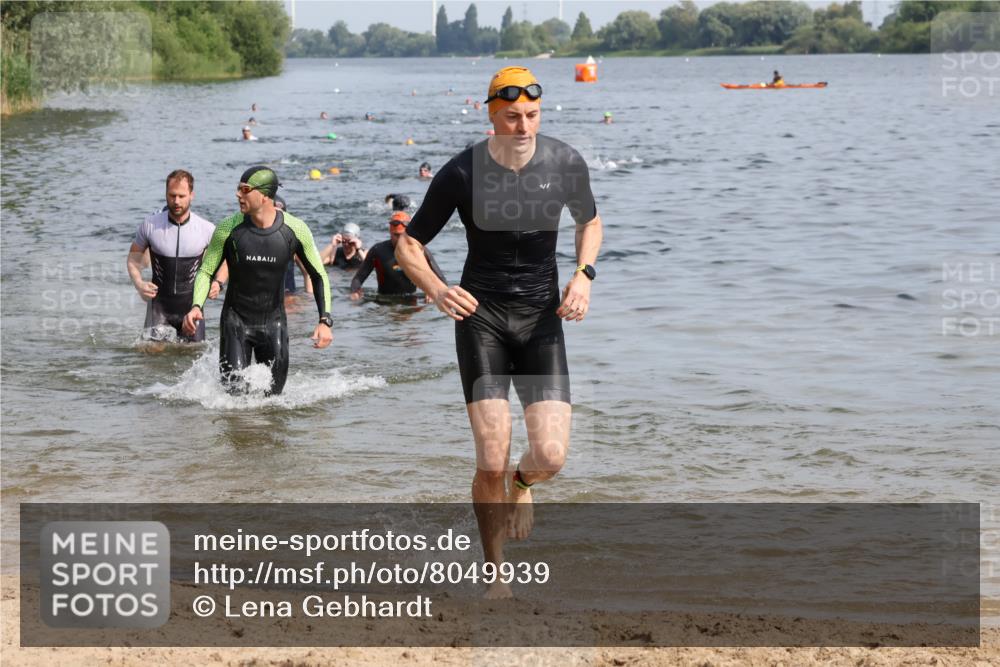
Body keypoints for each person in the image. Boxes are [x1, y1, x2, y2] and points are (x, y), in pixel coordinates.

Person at [394, 65, 602, 599]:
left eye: (532, 115)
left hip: (541, 320)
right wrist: (438, 291)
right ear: (491, 116)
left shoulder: (564, 163)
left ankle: (522, 483)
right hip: (480, 318)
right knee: (490, 453)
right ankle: (496, 575)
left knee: (551, 455)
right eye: (512, 117)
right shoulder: (462, 172)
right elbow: (408, 245)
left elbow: (590, 222)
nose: (524, 126)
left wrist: (583, 275)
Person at [182, 166, 333, 396]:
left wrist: (325, 320)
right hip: (235, 322)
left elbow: (319, 275)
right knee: (233, 397)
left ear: (264, 195)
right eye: (238, 189)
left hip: (274, 324)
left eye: (244, 190)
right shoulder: (228, 228)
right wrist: (196, 306)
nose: (238, 195)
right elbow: (205, 271)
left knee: (273, 402)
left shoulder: (295, 229)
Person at [127, 170, 220, 343]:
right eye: (172, 195)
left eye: (181, 196)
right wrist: (139, 284)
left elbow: (225, 261)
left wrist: (218, 283)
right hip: (159, 309)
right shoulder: (150, 225)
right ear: (166, 194)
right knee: (152, 359)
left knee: (193, 358)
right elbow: (133, 260)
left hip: (192, 308)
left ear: (192, 195)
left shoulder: (206, 229)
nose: (176, 201)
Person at [350, 212, 444, 300]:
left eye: (402, 235)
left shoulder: (420, 251)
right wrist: (354, 291)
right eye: (396, 235)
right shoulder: (378, 251)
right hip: (384, 301)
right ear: (390, 233)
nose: (400, 239)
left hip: (411, 300)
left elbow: (441, 278)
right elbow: (358, 278)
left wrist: (433, 292)